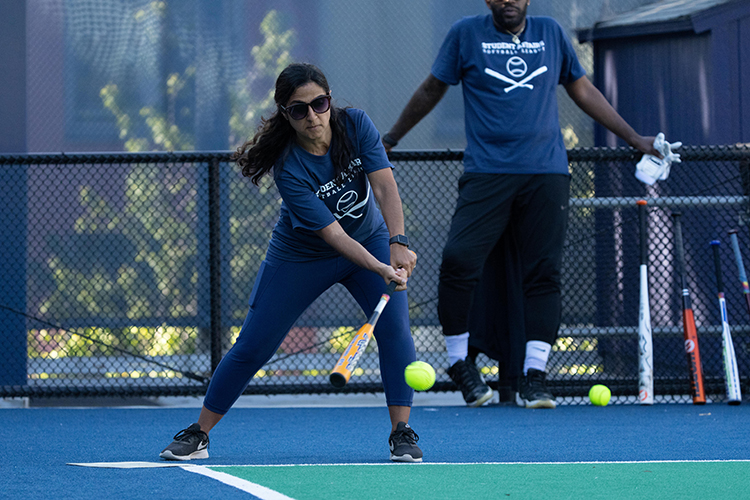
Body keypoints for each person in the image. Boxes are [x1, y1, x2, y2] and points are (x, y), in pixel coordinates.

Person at [382, 0, 661, 409]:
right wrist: (390, 140)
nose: (508, 0)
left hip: (547, 173)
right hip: (487, 173)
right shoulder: (465, 33)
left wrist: (635, 138)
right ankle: (461, 364)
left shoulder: (550, 32)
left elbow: (582, 88)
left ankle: (535, 377)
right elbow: (432, 88)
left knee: (543, 273)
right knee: (459, 260)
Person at [160, 62, 422, 462]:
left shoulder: (356, 125)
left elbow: (384, 184)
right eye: (299, 109)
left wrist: (398, 242)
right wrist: (382, 267)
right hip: (301, 258)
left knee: (395, 332)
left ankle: (401, 433)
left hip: (369, 240)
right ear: (286, 114)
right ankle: (199, 434)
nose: (313, 116)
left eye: (320, 104)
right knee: (253, 345)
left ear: (330, 101)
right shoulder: (288, 164)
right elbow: (333, 235)